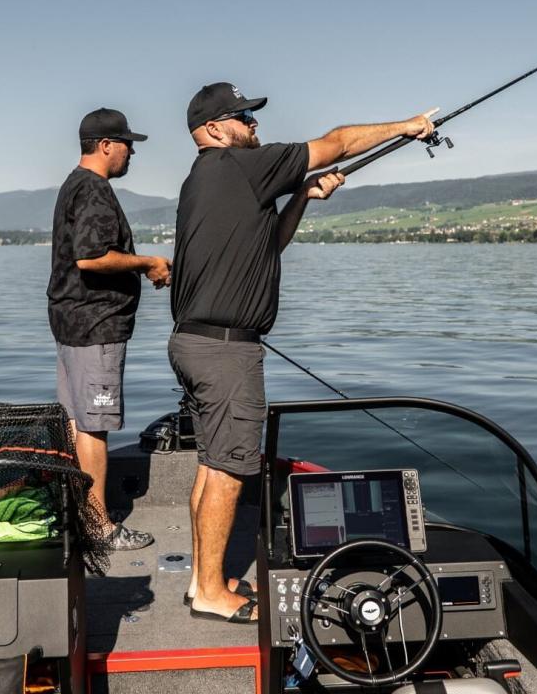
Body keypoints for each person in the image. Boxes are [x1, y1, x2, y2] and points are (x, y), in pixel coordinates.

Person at [168, 82, 437, 622]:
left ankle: (203, 580)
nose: (255, 125)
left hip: (196, 343)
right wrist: (406, 126)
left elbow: (267, 248)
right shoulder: (237, 165)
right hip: (225, 353)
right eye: (245, 117)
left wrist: (300, 197)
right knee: (227, 468)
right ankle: (211, 595)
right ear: (215, 128)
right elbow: (336, 143)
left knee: (210, 466)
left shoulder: (211, 181)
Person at [47, 107, 172, 551]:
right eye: (127, 143)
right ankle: (99, 527)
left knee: (77, 422)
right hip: (95, 327)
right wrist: (150, 263)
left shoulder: (72, 184)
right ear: (105, 146)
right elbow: (91, 257)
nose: (132, 151)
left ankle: (80, 514)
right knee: (94, 426)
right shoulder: (96, 190)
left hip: (69, 324)